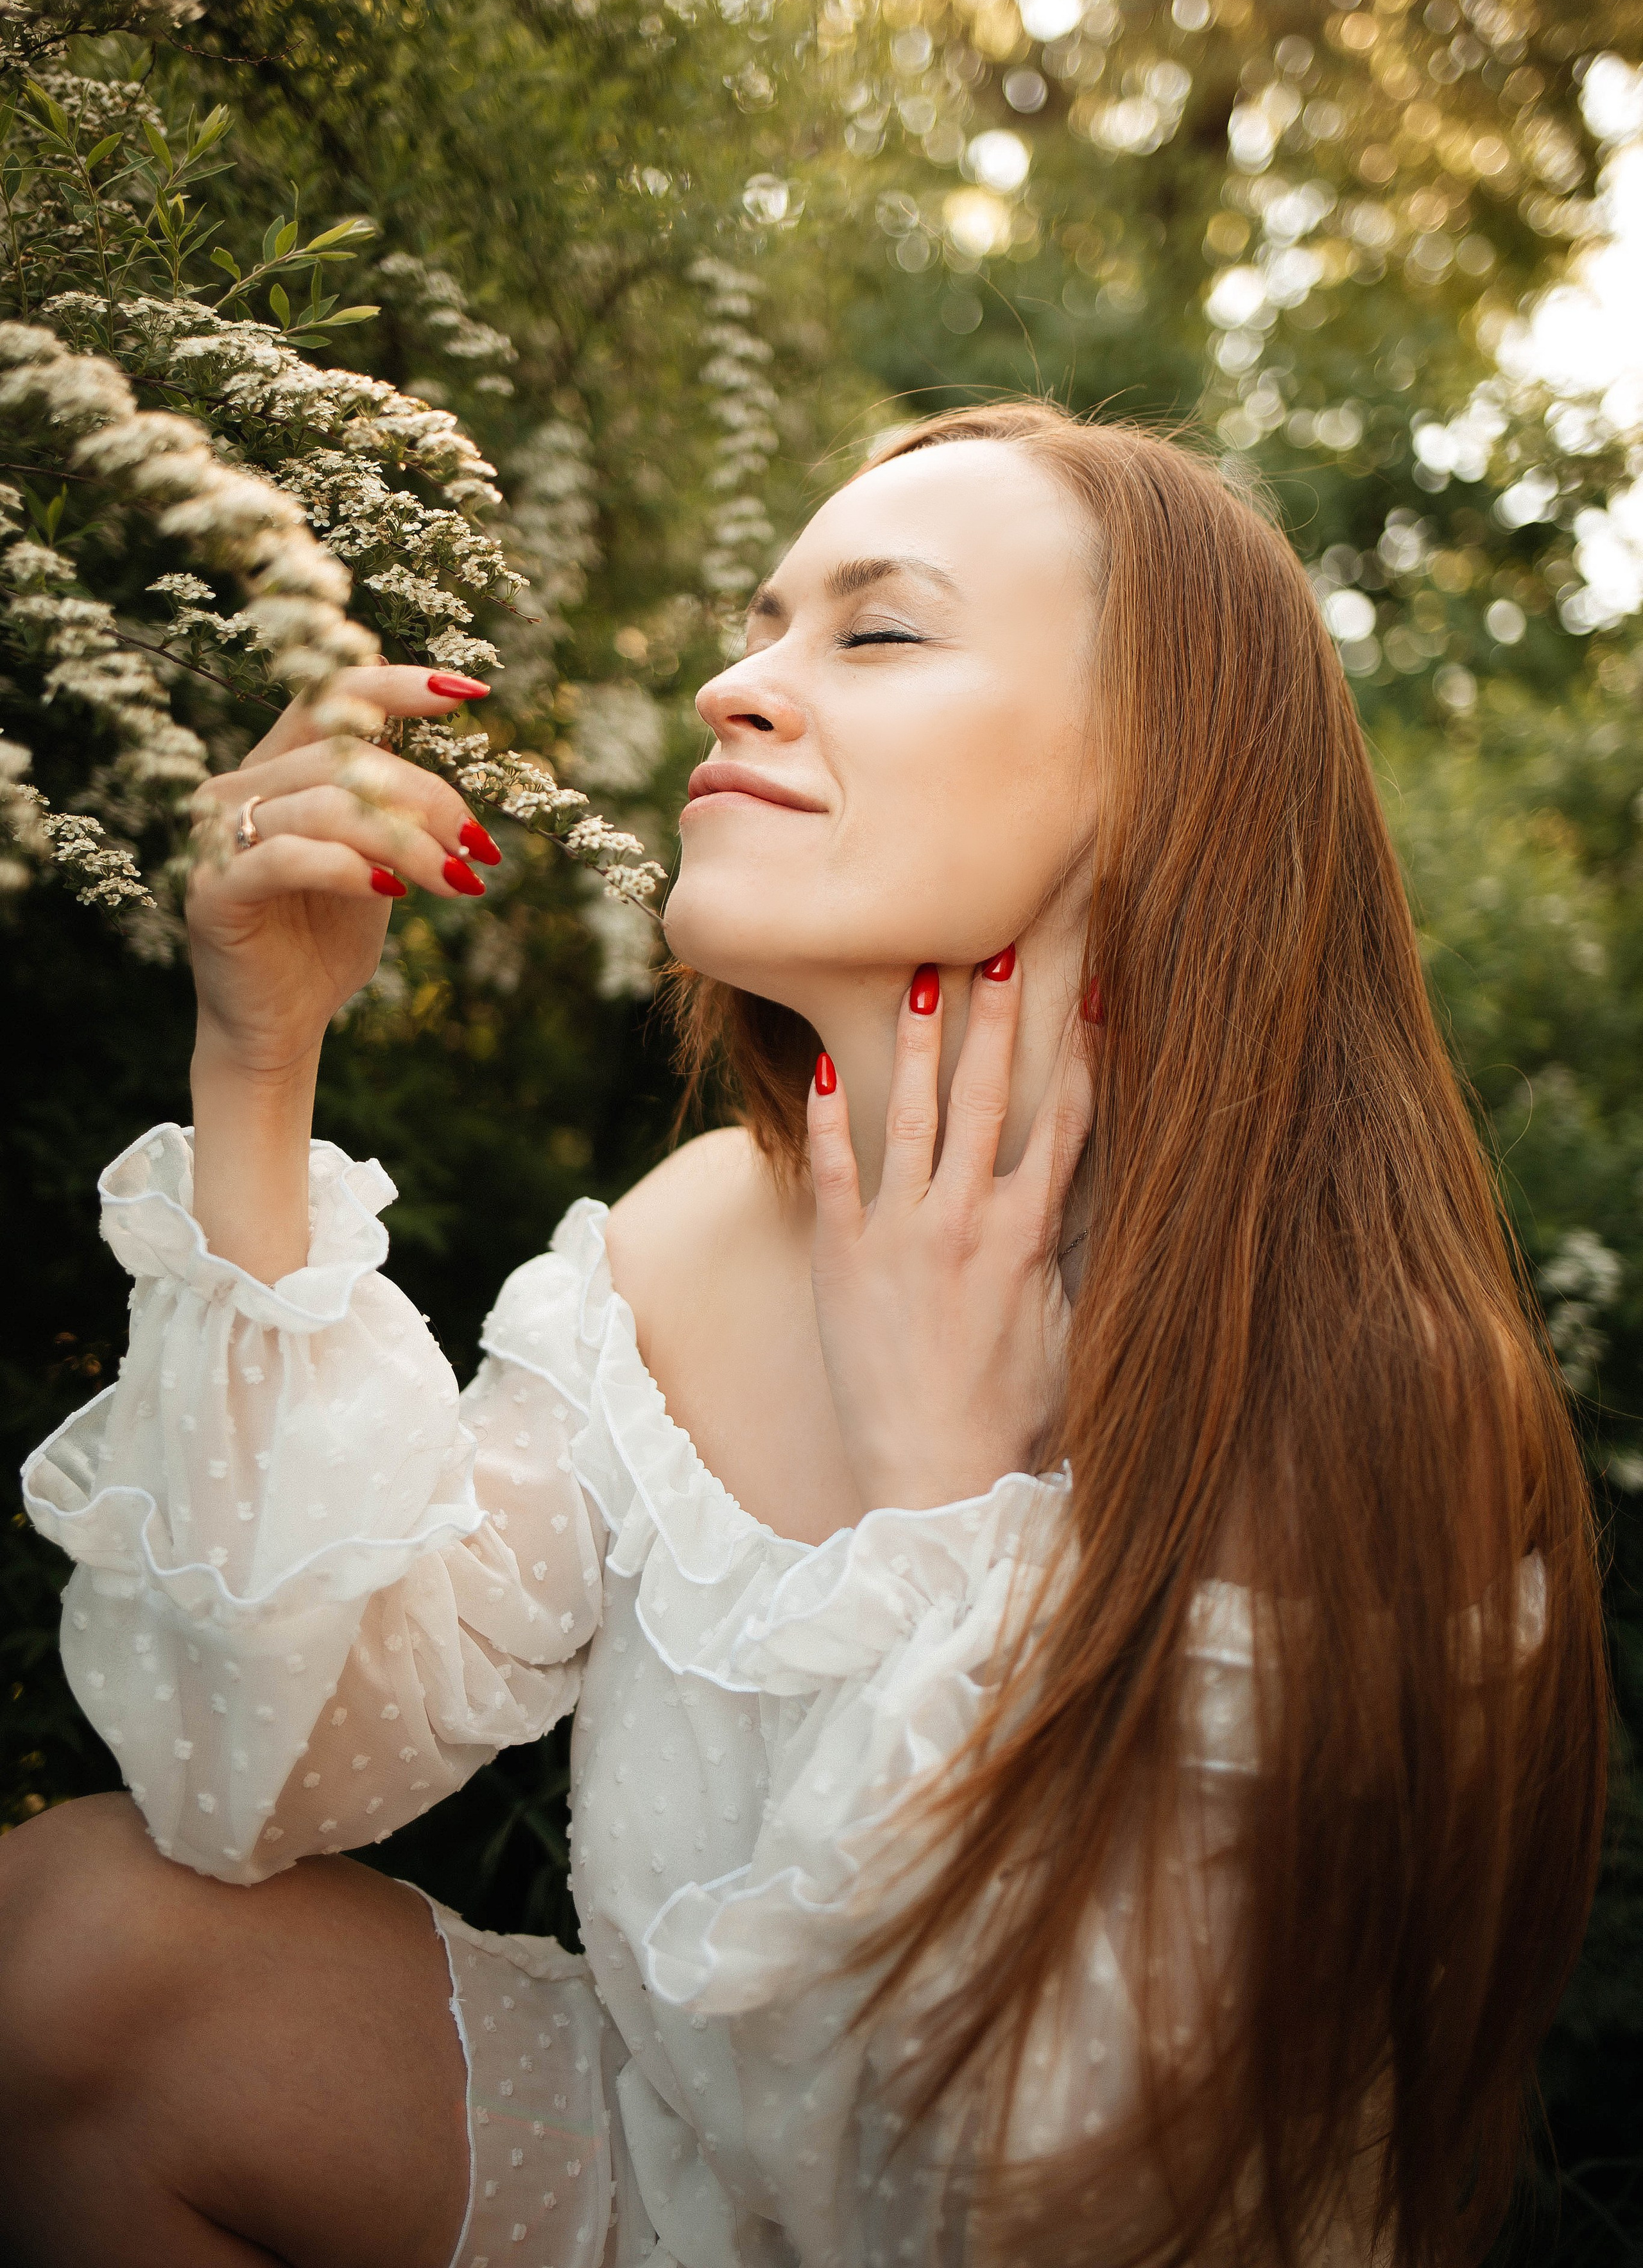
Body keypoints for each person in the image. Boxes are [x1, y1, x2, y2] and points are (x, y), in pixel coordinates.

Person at [0, 404, 1606, 2268]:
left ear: (1170, 772)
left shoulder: (1374, 1380)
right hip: (697, 2187)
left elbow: (1048, 2205)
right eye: (761, 625)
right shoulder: (696, 1237)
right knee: (81, 1949)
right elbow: (245, 1779)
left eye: (877, 629)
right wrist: (260, 1065)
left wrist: (946, 1505)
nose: (731, 688)